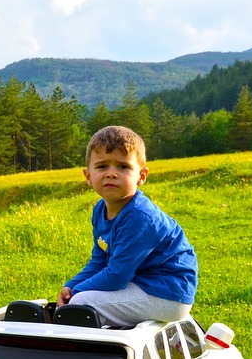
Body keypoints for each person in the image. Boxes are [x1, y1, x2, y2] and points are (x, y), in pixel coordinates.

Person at [57, 125, 198, 327]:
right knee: (80, 298)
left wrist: (76, 295)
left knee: (82, 304)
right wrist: (71, 285)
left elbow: (117, 276)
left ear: (141, 176)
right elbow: (100, 260)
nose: (111, 174)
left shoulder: (139, 217)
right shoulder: (100, 210)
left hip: (167, 294)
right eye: (102, 166)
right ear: (88, 176)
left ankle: (89, 353)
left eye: (123, 167)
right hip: (142, 283)